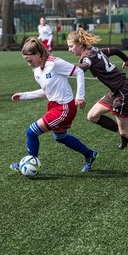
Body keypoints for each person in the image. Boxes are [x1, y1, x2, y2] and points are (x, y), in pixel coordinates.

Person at [67, 28, 128, 168]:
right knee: (92, 115)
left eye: (71, 46)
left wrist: (63, 70)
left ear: (80, 44)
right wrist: (127, 60)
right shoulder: (96, 50)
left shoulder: (88, 57)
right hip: (115, 91)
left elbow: (82, 68)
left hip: (124, 93)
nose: (69, 49)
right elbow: (116, 50)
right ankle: (122, 134)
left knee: (127, 131)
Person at [10, 37, 98, 173]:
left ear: (38, 54)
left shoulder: (55, 63)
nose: (29, 64)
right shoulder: (37, 71)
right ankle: (89, 154)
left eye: (30, 60)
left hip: (64, 108)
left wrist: (80, 96)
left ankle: (30, 162)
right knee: (60, 137)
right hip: (54, 106)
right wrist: (23, 96)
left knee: (31, 132)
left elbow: (79, 71)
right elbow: (46, 92)